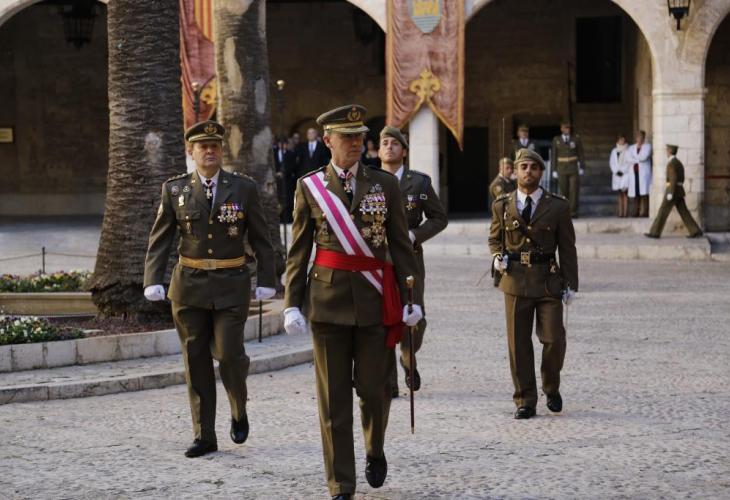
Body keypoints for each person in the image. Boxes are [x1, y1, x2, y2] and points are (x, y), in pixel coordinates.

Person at [283, 105, 422, 500]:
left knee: (375, 391)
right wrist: (292, 303)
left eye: (360, 136)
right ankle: (341, 483)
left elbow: (400, 245)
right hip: (327, 304)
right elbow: (299, 251)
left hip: (374, 300)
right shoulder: (309, 187)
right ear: (328, 140)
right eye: (348, 137)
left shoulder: (385, 185)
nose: (357, 143)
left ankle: (374, 447)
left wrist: (411, 297)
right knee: (334, 401)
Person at [142, 120, 276, 458]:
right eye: (203, 146)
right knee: (195, 359)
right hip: (188, 287)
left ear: (221, 150)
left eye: (215, 145)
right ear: (191, 151)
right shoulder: (175, 190)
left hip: (231, 285)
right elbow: (160, 239)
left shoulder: (242, 188)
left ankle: (238, 407)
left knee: (230, 355)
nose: (210, 151)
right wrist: (152, 279)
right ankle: (204, 435)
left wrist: (267, 279)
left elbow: (261, 237)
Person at [489, 148, 578, 420]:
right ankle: (525, 399)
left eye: (534, 167)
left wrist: (571, 284)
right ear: (515, 171)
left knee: (554, 339)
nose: (528, 171)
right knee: (518, 345)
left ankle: (551, 387)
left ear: (541, 172)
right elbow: (495, 239)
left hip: (548, 280)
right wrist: (496, 257)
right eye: (524, 167)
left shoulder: (558, 206)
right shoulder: (502, 205)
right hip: (515, 280)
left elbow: (567, 247)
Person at [378, 125, 448, 398]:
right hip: (377, 260)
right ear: (378, 150)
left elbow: (439, 218)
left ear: (404, 151)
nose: (389, 147)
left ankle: (408, 357)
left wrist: (414, 234)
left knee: (415, 319)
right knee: (382, 320)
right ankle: (389, 382)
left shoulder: (419, 183)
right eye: (384, 143)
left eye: (394, 143)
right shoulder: (367, 181)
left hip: (410, 259)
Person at [645, 145, 703, 239]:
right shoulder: (678, 162)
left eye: (667, 150)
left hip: (672, 190)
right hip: (679, 190)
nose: (666, 152)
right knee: (684, 212)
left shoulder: (671, 163)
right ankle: (695, 230)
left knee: (663, 211)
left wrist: (670, 193)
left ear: (670, 151)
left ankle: (655, 232)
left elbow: (673, 178)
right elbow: (681, 178)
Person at [551, 121, 585, 218]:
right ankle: (564, 212)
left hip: (573, 167)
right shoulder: (556, 140)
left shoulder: (576, 139)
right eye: (565, 128)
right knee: (563, 191)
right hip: (561, 168)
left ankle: (573, 212)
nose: (567, 129)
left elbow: (581, 154)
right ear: (561, 129)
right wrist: (554, 170)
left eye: (568, 128)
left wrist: (582, 166)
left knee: (574, 190)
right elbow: (554, 155)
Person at [626, 130, 652, 217]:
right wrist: (637, 160)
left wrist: (634, 159)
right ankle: (636, 211)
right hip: (634, 173)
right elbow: (628, 158)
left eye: (641, 137)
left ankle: (645, 212)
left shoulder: (647, 146)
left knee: (644, 193)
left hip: (643, 174)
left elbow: (644, 157)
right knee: (636, 193)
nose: (639, 139)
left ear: (643, 138)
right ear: (636, 138)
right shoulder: (631, 148)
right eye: (638, 137)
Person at [609, 134, 630, 217]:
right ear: (618, 141)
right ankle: (620, 212)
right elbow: (612, 163)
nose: (622, 141)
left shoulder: (628, 150)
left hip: (625, 174)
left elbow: (629, 162)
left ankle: (625, 212)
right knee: (619, 194)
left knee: (625, 193)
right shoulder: (614, 151)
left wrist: (623, 171)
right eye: (620, 140)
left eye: (623, 140)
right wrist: (616, 171)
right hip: (617, 175)